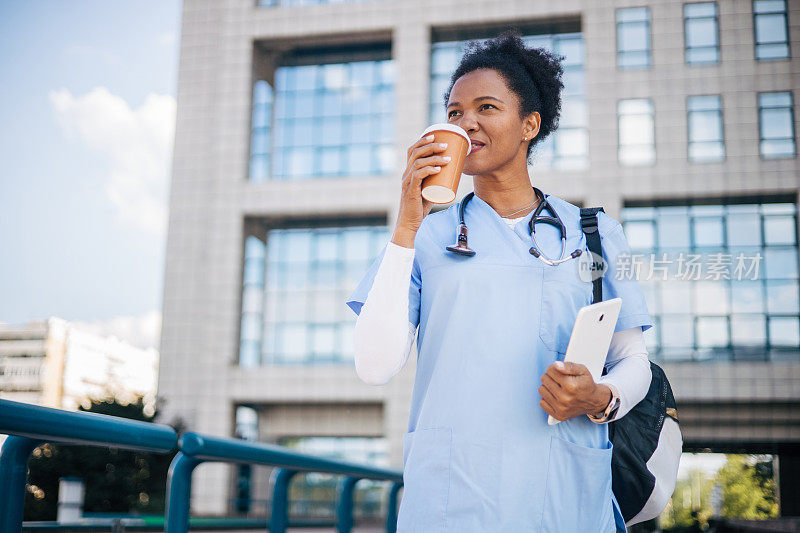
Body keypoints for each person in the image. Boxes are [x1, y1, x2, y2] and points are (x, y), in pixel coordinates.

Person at [345, 30, 654, 532]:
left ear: (529, 124)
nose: (466, 123)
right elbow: (375, 367)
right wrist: (406, 226)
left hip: (562, 495)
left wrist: (599, 397)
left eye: (486, 107)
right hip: (453, 500)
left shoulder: (593, 234)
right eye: (454, 113)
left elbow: (633, 360)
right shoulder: (424, 236)